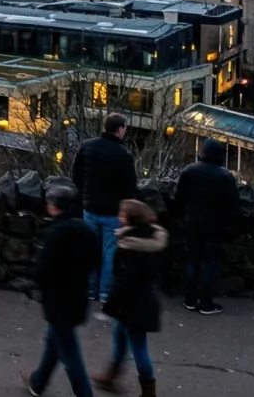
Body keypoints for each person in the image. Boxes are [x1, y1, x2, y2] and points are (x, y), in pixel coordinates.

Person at [24, 184, 101, 397]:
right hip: (78, 296)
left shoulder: (57, 232)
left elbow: (45, 267)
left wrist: (33, 284)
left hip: (58, 300)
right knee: (55, 341)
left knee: (69, 352)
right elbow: (95, 260)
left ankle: (84, 393)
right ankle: (38, 382)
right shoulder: (85, 230)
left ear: (56, 207)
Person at [94, 199, 167, 397]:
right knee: (120, 334)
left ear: (131, 219)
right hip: (144, 298)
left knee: (138, 347)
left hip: (132, 304)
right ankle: (110, 377)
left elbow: (123, 280)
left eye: (122, 214)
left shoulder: (128, 247)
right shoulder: (154, 239)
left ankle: (148, 391)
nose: (119, 216)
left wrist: (111, 304)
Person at [72, 113, 138, 303]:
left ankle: (90, 289)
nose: (125, 132)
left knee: (91, 249)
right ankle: (105, 292)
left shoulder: (87, 146)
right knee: (109, 253)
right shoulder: (124, 154)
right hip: (113, 212)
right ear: (119, 129)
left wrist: (83, 197)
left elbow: (76, 175)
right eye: (125, 128)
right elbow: (130, 187)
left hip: (90, 207)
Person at [170, 138, 238, 315]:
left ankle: (190, 299)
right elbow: (233, 205)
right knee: (210, 263)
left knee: (192, 261)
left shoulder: (189, 171)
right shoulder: (225, 176)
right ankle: (206, 303)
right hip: (215, 226)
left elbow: (178, 199)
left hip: (192, 222)